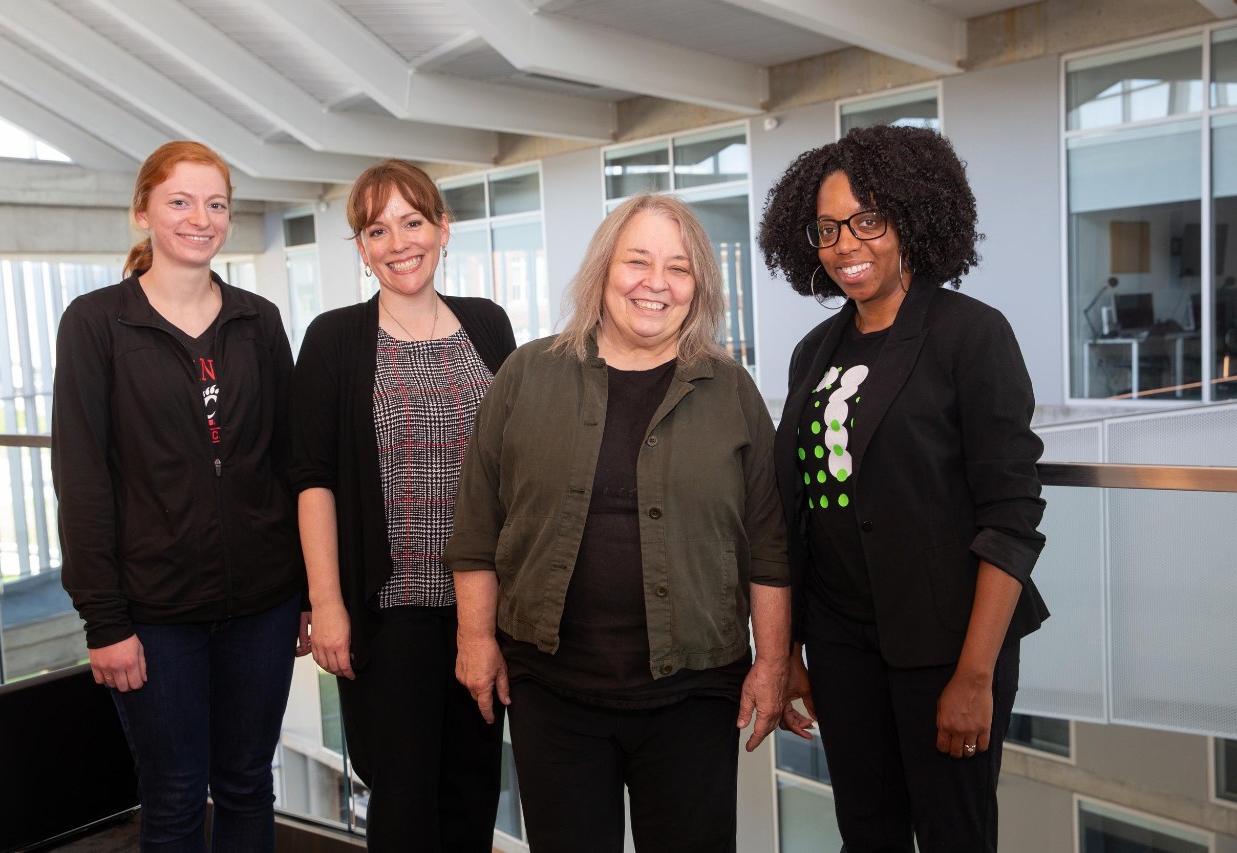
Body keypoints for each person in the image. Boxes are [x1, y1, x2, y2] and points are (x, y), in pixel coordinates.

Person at [445, 193, 790, 853]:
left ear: (698, 288)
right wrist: (474, 639)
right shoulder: (526, 374)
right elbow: (477, 522)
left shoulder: (731, 389)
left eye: (679, 268)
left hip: (693, 695)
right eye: (638, 261)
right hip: (554, 691)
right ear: (603, 270)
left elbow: (769, 544)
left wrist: (773, 661)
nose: (656, 283)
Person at [757, 124, 1048, 852]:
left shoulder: (970, 335)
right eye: (828, 229)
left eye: (868, 221)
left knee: (955, 835)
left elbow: (1011, 516)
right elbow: (796, 512)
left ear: (912, 220)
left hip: (947, 646)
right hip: (842, 645)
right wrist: (790, 648)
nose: (847, 244)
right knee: (866, 832)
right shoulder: (812, 352)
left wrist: (974, 675)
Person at [52, 140, 309, 851]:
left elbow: (289, 462)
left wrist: (311, 592)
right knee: (170, 795)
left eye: (216, 203)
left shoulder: (259, 321)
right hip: (153, 613)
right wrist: (103, 620)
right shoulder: (96, 323)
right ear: (143, 213)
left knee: (249, 781)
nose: (201, 218)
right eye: (180, 201)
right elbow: (82, 480)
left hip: (263, 603)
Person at [289, 159, 514, 851]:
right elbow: (313, 478)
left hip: (485, 607)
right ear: (362, 248)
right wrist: (325, 601)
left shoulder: (488, 324)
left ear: (443, 229)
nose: (398, 242)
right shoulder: (335, 339)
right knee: (404, 802)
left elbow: (518, 462)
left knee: (473, 791)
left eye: (413, 222)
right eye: (377, 229)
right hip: (390, 615)